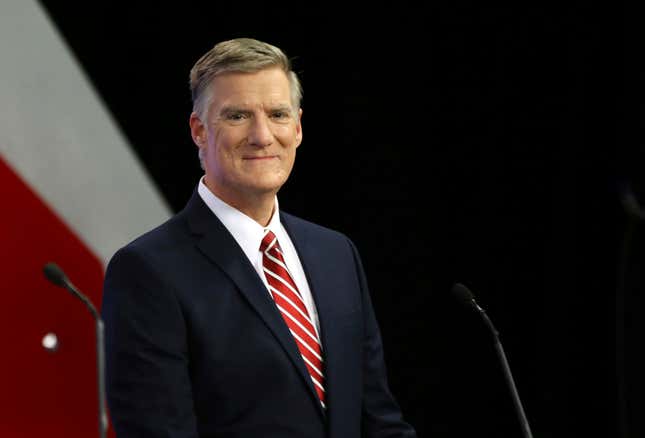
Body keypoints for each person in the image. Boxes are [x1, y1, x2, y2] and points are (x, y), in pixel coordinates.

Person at [102, 37, 417, 438]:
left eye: (278, 114)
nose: (263, 136)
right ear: (198, 130)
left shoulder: (336, 253)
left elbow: (379, 420)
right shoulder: (149, 271)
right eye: (237, 116)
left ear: (298, 127)